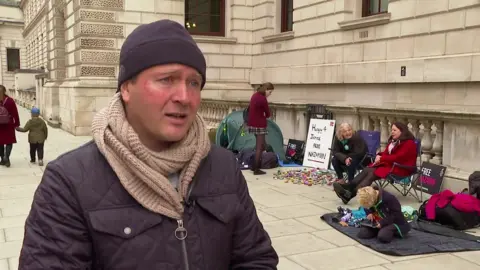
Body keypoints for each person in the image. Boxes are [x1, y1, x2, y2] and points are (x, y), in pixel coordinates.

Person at [19, 20, 278, 269]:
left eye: (194, 83)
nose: (185, 97)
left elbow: (256, 258)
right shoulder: (67, 183)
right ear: (126, 89)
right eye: (166, 79)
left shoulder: (223, 167)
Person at [333, 122, 417, 204]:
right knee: (367, 169)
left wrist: (382, 158)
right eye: (392, 130)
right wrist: (379, 156)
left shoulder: (409, 143)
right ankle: (349, 187)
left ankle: (349, 194)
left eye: (394, 130)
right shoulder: (394, 141)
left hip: (402, 168)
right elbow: (386, 153)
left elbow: (399, 157)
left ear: (401, 131)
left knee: (372, 173)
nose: (392, 132)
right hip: (391, 165)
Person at [247, 82, 274, 175]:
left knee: (261, 146)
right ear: (266, 90)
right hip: (260, 125)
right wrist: (264, 114)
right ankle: (256, 169)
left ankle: (254, 165)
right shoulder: (263, 99)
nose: (270, 94)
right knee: (259, 147)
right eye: (270, 92)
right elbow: (268, 114)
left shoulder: (254, 96)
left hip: (252, 124)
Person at [0, 84, 20, 168]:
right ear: (5, 91)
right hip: (9, 124)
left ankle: (2, 160)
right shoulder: (10, 101)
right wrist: (17, 124)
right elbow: (15, 113)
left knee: (0, 143)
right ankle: (7, 158)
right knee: (9, 142)